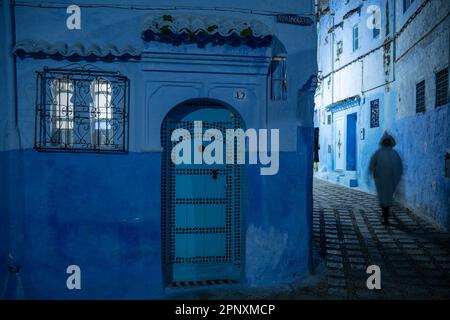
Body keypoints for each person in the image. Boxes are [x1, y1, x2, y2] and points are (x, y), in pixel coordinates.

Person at [369, 132, 403, 225]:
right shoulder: (392, 153)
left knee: (384, 197)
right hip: (383, 180)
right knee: (386, 197)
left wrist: (370, 172)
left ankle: (385, 214)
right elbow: (399, 167)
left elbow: (372, 164)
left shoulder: (381, 153)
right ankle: (385, 213)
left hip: (384, 180)